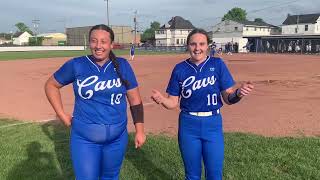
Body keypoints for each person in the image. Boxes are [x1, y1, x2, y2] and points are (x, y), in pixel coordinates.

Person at [44, 24, 146, 180]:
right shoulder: (77, 64)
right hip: (85, 140)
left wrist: (139, 130)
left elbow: (135, 100)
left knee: (111, 177)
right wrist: (61, 113)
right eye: (94, 41)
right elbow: (51, 85)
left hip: (117, 139)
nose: (98, 46)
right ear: (89, 43)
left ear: (111, 44)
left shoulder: (123, 65)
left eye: (104, 42)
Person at [151, 29, 254, 180]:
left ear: (208, 46)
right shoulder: (180, 69)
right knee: (192, 175)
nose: (197, 48)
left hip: (213, 124)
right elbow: (173, 102)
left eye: (201, 44)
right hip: (188, 124)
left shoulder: (217, 64)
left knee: (214, 174)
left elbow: (228, 98)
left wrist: (239, 93)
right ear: (187, 46)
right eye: (193, 44)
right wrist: (162, 100)